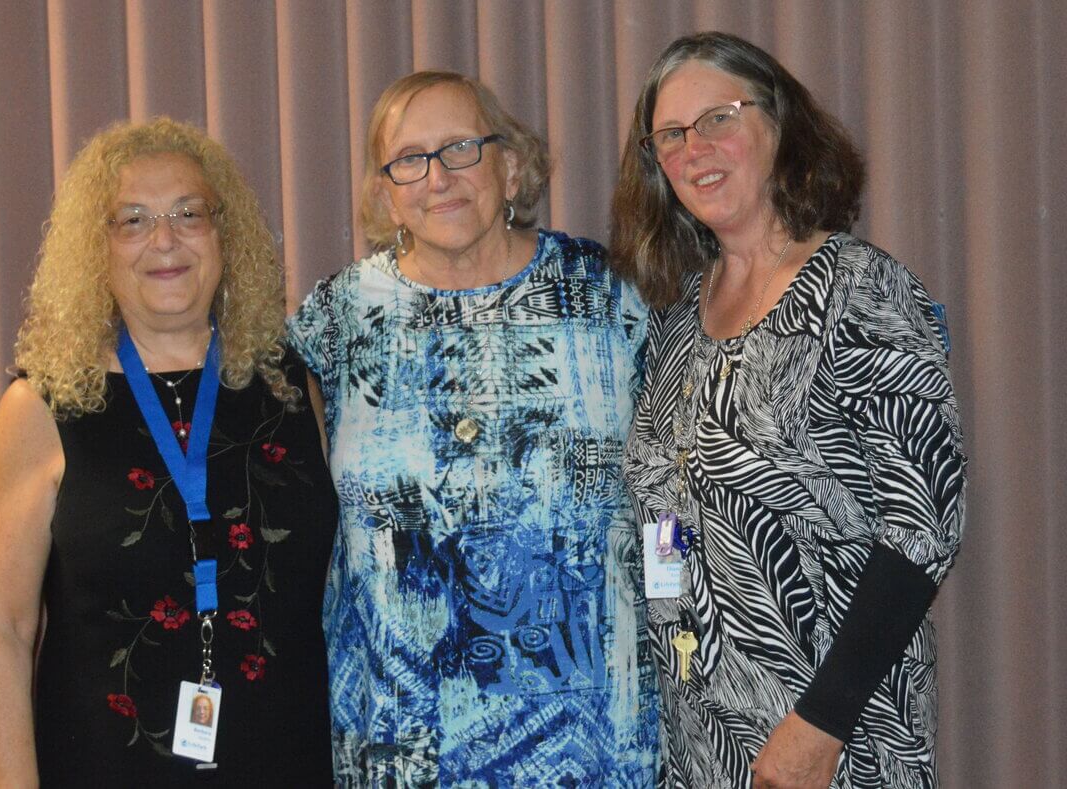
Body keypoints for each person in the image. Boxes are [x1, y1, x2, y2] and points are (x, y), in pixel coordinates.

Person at [611, 31, 966, 788]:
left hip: (833, 734)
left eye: (719, 118)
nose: (694, 148)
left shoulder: (860, 290)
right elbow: (665, 513)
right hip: (701, 734)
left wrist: (820, 724)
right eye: (670, 135)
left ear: (780, 126)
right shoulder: (677, 320)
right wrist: (676, 652)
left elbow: (924, 526)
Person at [288, 71, 660, 786]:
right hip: (400, 736)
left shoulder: (610, 294)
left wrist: (680, 635)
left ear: (511, 164)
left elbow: (674, 489)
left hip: (592, 738)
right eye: (411, 159)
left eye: (462, 147)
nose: (439, 177)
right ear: (384, 192)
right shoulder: (337, 319)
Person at [0, 117, 337, 786]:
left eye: (188, 213)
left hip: (288, 762)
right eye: (131, 220)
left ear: (224, 233)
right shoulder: (43, 407)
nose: (164, 240)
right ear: (95, 249)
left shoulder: (290, 385)